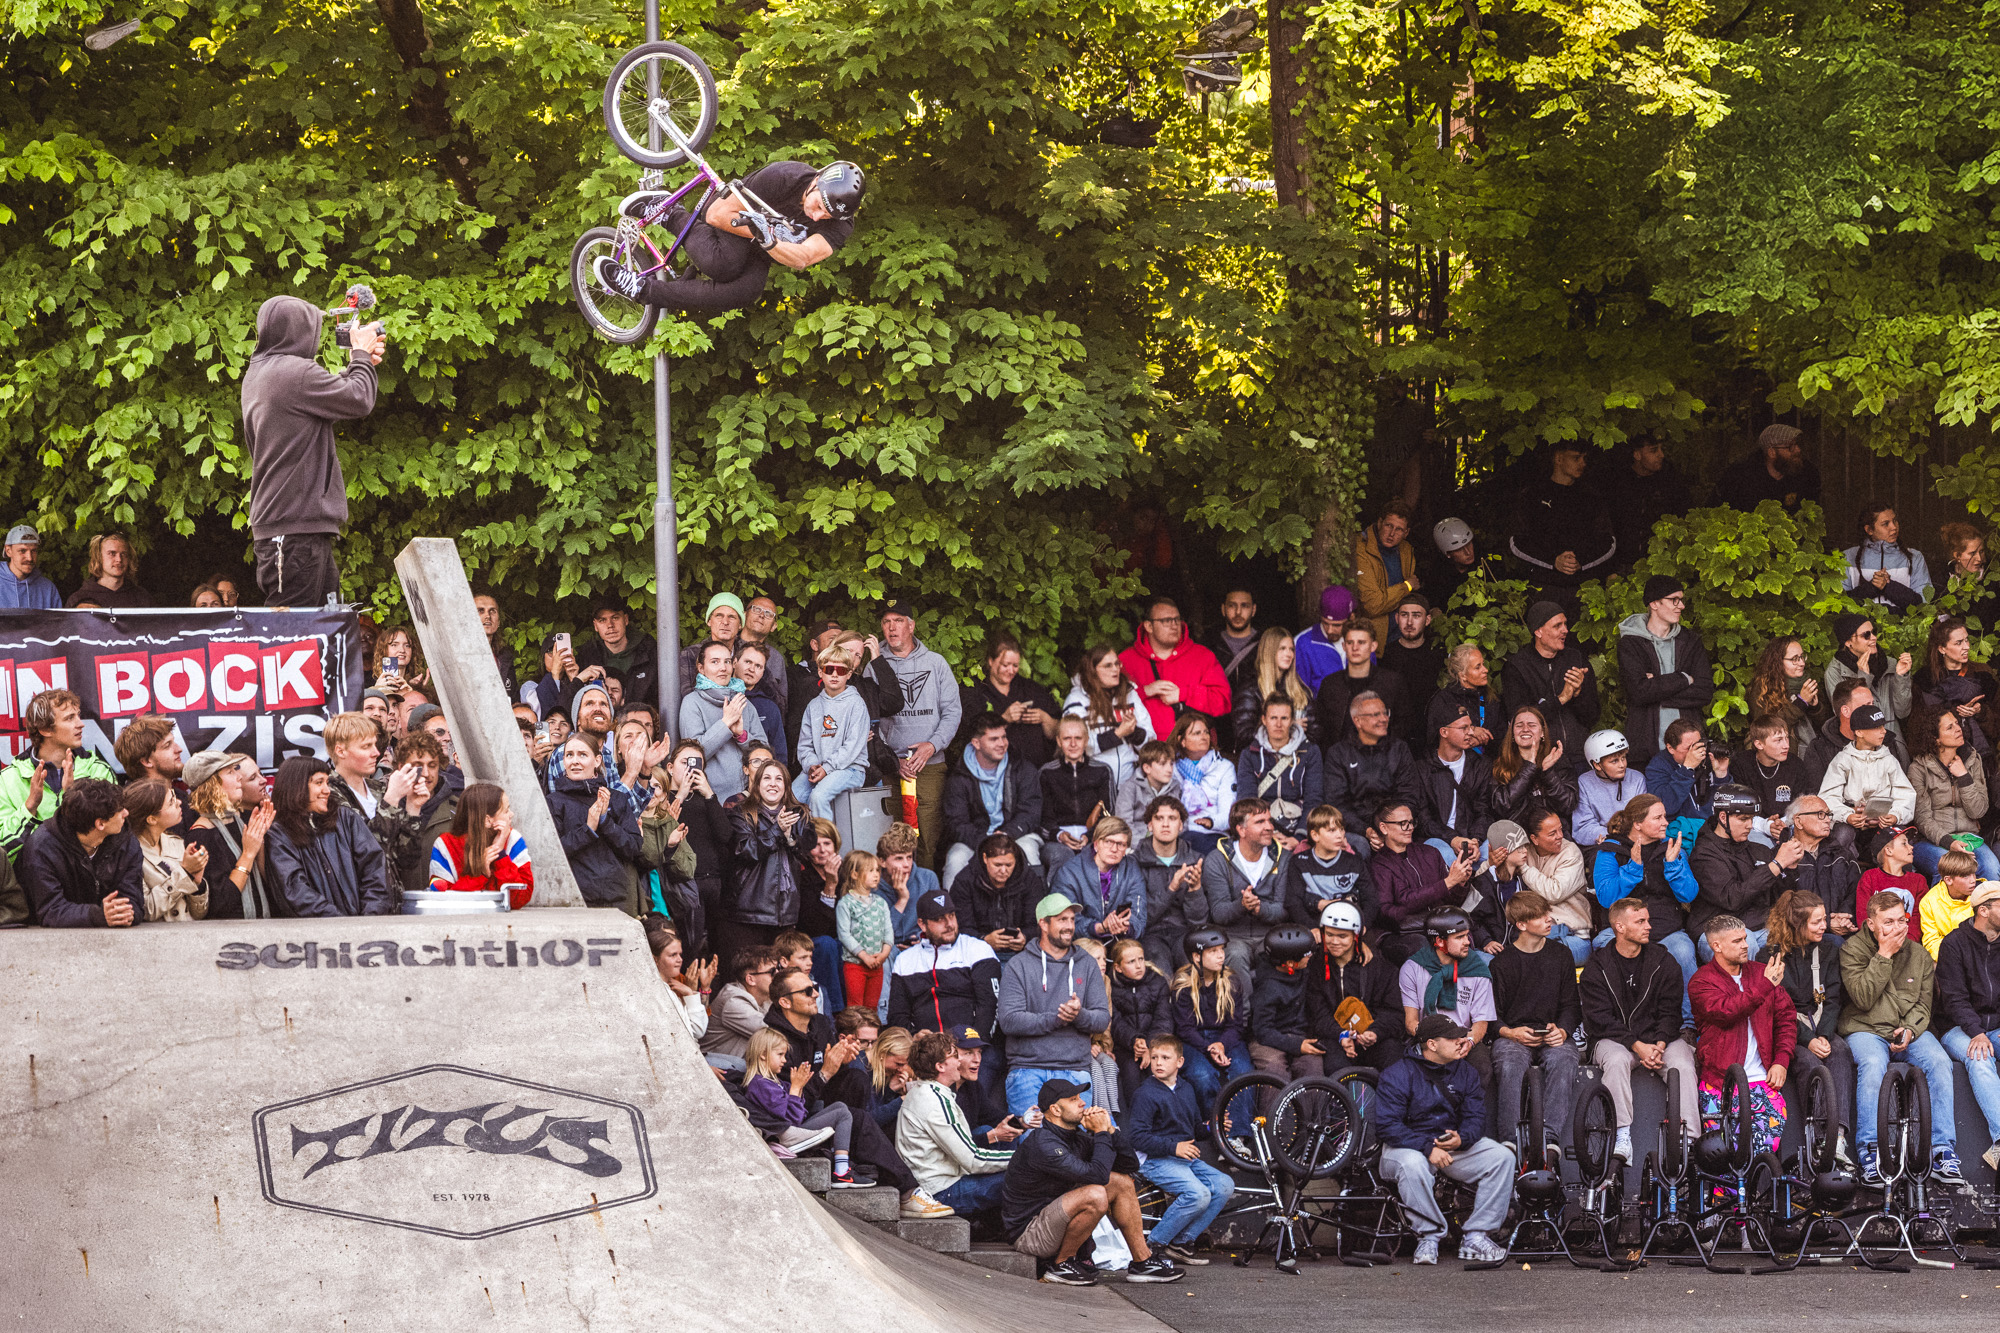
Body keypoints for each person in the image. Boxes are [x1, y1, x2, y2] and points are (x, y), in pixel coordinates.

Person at [242, 295, 383, 607]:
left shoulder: (264, 372)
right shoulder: (295, 372)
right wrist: (359, 355)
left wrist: (361, 363)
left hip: (292, 526)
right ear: (300, 330)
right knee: (290, 640)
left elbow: (330, 399)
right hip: (293, 529)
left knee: (320, 634)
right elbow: (359, 400)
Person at [597, 160, 866, 314]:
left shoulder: (842, 224)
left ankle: (642, 290)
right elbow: (716, 214)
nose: (818, 217)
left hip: (764, 246)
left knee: (745, 292)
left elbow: (804, 258)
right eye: (819, 206)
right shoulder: (783, 177)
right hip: (731, 215)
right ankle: (670, 213)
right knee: (722, 264)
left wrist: (768, 238)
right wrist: (757, 230)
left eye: (827, 217)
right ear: (816, 182)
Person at [999, 1079, 1183, 1285]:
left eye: (1080, 1098)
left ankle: (1142, 1261)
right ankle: (1062, 1265)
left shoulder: (1074, 1137)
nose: (1082, 1103)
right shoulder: (1044, 1144)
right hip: (1030, 1234)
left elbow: (1129, 1165)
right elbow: (1097, 1177)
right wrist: (1101, 1133)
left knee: (1121, 1182)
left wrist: (1110, 1132)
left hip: (1054, 1222)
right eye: (1073, 1099)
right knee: (1095, 1194)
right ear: (1055, 1110)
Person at [1841, 890, 1964, 1184]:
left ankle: (1941, 1149)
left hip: (1908, 1028)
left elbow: (1923, 1004)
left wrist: (1910, 1028)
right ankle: (1870, 1151)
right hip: (1866, 1027)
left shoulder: (1919, 954)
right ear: (1870, 923)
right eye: (1888, 922)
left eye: (1902, 920)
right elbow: (1862, 998)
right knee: (1872, 1065)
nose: (1897, 928)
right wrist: (1883, 955)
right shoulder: (1852, 950)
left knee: (1938, 1061)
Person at [1375, 1014, 1514, 1266]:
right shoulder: (1397, 1073)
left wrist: (1462, 1138)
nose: (1460, 1042)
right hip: (1405, 1147)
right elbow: (1387, 1126)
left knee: (1502, 1157)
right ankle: (1428, 1236)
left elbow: (1475, 1118)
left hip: (1449, 1146)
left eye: (1461, 1036)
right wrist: (1427, 1147)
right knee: (1412, 1164)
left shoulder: (1466, 1072)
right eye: (1452, 1039)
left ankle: (1476, 1235)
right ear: (1432, 1044)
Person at [1581, 897, 1699, 1162]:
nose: (1648, 926)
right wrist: (1636, 1045)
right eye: (1640, 921)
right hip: (1615, 1039)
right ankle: (1620, 1134)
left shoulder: (1663, 960)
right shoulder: (1596, 967)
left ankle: (1689, 1140)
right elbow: (1599, 1019)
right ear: (1619, 927)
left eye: (1648, 920)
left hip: (1659, 1040)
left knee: (1682, 1062)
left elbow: (1671, 1011)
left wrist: (1658, 1043)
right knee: (1617, 1060)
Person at [1759, 890, 1855, 1164]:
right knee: (1807, 1061)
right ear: (1796, 924)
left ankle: (1836, 1136)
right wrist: (1807, 1039)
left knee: (1839, 1051)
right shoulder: (1768, 955)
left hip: (1820, 1021)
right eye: (1816, 922)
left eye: (1824, 919)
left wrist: (1823, 1035)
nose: (1824, 926)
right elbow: (1773, 1007)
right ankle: (1818, 1135)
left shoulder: (1828, 950)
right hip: (1788, 1029)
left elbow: (1833, 996)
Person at [1689, 914, 1795, 1159]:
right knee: (1721, 1154)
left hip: (1762, 1081)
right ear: (1717, 946)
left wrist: (1781, 1060)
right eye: (1737, 941)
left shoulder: (1761, 973)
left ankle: (1752, 1194)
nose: (1746, 945)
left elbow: (1786, 1019)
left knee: (1765, 1147)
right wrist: (1766, 985)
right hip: (1719, 1083)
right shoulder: (1701, 981)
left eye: (1745, 938)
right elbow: (1727, 1011)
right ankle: (1728, 1196)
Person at [1128, 1033, 1237, 1265]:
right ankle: (1152, 1248)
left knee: (1225, 1185)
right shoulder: (1145, 1093)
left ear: (1179, 1062)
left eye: (1165, 1057)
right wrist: (1173, 1147)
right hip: (1154, 1160)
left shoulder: (1186, 1089)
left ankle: (1181, 1242)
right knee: (1197, 1194)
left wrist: (1213, 1127)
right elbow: (1136, 1137)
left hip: (1184, 1158)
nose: (1158, 1062)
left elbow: (1194, 1129)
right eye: (1155, 1057)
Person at [996, 895, 1110, 1116]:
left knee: (1075, 1145)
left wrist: (1079, 1015)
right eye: (1061, 920)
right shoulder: (1018, 965)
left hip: (1075, 1070)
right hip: (1028, 1070)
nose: (1069, 926)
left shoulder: (1086, 964)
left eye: (1071, 920)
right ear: (1043, 923)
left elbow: (1102, 1018)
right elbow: (1009, 1020)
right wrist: (1057, 1018)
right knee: (1032, 1141)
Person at [1490, 889, 1582, 1159]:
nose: (1548, 919)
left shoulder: (1561, 955)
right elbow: (1491, 1014)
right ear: (1521, 925)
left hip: (1552, 1032)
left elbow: (1571, 1005)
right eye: (1540, 916)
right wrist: (1510, 1032)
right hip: (1513, 1035)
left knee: (1564, 1057)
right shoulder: (1502, 963)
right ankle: (1508, 1142)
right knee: (1510, 1061)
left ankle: (1549, 1138)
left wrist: (1562, 1030)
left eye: (1547, 913)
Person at [874, 601, 962, 870]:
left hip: (930, 767)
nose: (892, 627)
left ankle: (923, 900)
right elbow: (869, 720)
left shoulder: (936, 663)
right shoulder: (874, 666)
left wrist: (932, 745)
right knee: (890, 839)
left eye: (898, 620)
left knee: (926, 840)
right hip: (891, 768)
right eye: (886, 622)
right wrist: (891, 758)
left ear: (911, 625)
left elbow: (952, 711)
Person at [1591, 794, 1699, 1011]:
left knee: (1684, 952)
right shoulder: (1611, 850)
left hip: (1667, 928)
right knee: (1604, 947)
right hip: (1621, 930)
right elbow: (1606, 897)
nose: (1665, 822)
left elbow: (1689, 895)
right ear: (1637, 824)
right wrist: (1633, 868)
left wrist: (1673, 866)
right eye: (1658, 818)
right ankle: (1620, 1021)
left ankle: (1688, 1024)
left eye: (1665, 817)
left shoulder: (1671, 849)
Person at [895, 1030, 1015, 1220]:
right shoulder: (934, 1102)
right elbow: (973, 1160)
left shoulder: (928, 1092)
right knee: (1023, 1177)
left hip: (939, 1182)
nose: (960, 1061)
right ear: (940, 1066)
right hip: (939, 1191)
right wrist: (1023, 1157)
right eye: (954, 1056)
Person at [263, 757, 396, 916]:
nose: (327, 790)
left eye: (327, 782)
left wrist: (367, 920)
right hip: (313, 937)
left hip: (363, 931)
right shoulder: (278, 834)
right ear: (296, 786)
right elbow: (295, 891)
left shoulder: (346, 819)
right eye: (319, 783)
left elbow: (375, 871)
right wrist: (339, 924)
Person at [0, 689, 117, 860]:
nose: (81, 723)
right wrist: (29, 808)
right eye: (70, 718)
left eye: (78, 715)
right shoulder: (7, 780)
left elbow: (116, 834)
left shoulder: (98, 771)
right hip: (33, 884)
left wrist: (73, 800)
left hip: (91, 881)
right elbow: (3, 852)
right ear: (45, 729)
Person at [718, 759, 811, 961]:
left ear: (786, 785)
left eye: (779, 779)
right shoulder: (741, 813)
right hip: (749, 912)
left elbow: (810, 857)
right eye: (767, 778)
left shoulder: (800, 814)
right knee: (753, 975)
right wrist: (778, 830)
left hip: (786, 914)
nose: (773, 783)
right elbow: (746, 851)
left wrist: (790, 838)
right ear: (757, 784)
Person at [1936, 883, 2000, 1172]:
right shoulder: (1954, 943)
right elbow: (1954, 999)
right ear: (1983, 910)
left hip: (1995, 1026)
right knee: (1980, 1057)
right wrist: (1976, 1031)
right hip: (1957, 1028)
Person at [939, 712, 1044, 888]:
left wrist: (1007, 834)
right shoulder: (959, 776)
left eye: (1003, 737)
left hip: (1016, 834)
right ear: (976, 743)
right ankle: (952, 914)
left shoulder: (1022, 768)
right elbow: (956, 822)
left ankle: (1038, 911)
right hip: (976, 838)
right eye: (994, 739)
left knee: (1029, 851)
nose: (1002, 744)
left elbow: (1031, 811)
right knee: (956, 859)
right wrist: (985, 842)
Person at [19, 778, 142, 928]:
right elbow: (50, 910)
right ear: (100, 824)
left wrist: (124, 913)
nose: (126, 813)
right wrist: (98, 915)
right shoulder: (42, 847)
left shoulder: (126, 841)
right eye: (120, 810)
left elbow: (133, 900)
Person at [1617, 576, 1714, 765]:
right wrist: (1683, 679)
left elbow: (1704, 691)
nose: (1681, 606)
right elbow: (1638, 693)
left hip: (1689, 747)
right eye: (1674, 600)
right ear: (1654, 603)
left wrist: (1656, 686)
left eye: (1681, 600)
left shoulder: (1690, 641)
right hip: (1646, 748)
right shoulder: (1630, 643)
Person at [1687, 785, 1790, 961]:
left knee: (1794, 936)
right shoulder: (1704, 853)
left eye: (1752, 819)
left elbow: (1778, 895)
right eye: (1743, 819)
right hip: (1715, 929)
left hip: (1758, 923)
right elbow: (1732, 898)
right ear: (1722, 817)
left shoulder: (1758, 849)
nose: (1750, 825)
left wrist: (1791, 869)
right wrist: (1775, 866)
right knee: (1744, 943)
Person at [549, 733, 649, 913]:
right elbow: (552, 852)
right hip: (574, 898)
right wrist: (587, 830)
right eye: (569, 755)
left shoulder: (616, 798)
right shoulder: (554, 801)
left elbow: (634, 847)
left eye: (582, 754)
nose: (575, 761)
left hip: (617, 897)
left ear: (597, 760)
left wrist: (605, 822)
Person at [1371, 799, 1476, 967]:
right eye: (1403, 824)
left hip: (1439, 928)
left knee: (1466, 944)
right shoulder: (1379, 864)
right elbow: (1387, 911)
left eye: (1412, 822)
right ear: (1384, 828)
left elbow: (1452, 902)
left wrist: (1461, 883)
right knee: (1424, 948)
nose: (1410, 828)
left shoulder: (1430, 853)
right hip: (1402, 934)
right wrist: (1447, 883)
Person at [1509, 442, 1617, 604]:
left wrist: (1581, 561)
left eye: (1584, 458)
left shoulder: (1590, 497)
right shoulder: (1533, 494)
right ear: (1558, 459)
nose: (1582, 463)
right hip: (1544, 586)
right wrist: (1553, 561)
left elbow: (1608, 541)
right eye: (1576, 458)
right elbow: (1517, 541)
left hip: (1585, 587)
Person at [887, 888, 1002, 1039]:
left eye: (952, 915)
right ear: (922, 924)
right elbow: (897, 1016)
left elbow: (989, 1007)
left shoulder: (978, 949)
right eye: (939, 919)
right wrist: (914, 1037)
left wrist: (972, 1046)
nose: (949, 924)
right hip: (926, 1051)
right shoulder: (905, 960)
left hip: (973, 1047)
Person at [1200, 799, 1291, 985]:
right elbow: (1218, 913)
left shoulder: (1283, 858)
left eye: (1269, 820)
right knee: (1235, 953)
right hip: (1232, 937)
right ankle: (1242, 1013)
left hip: (1270, 934)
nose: (1269, 827)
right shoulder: (1217, 860)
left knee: (1280, 952)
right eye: (1260, 822)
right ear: (1241, 830)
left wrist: (1259, 908)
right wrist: (1241, 905)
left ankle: (1270, 1012)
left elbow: (1284, 910)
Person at [1304, 901, 1403, 1073]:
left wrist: (1375, 1032)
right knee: (1336, 1067)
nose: (1334, 941)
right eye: (1329, 934)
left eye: (1342, 936)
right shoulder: (1315, 967)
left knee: (1394, 1057)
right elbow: (1317, 1015)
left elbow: (1394, 1014)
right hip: (1334, 1038)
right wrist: (1342, 1035)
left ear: (1356, 936)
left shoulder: (1381, 968)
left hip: (1373, 1038)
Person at [1397, 909, 1496, 1080]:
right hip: (1426, 1035)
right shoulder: (1413, 968)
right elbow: (1411, 1022)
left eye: (1467, 935)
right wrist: (1435, 1042)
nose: (1467, 942)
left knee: (1481, 1068)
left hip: (1464, 1035)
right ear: (1439, 941)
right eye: (1459, 937)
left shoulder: (1478, 970)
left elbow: (1481, 1022)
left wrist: (1469, 1041)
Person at [1501, 601, 1598, 768]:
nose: (1565, 630)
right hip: (1540, 759)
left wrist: (1578, 694)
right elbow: (1520, 719)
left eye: (1565, 624)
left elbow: (1593, 716)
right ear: (1538, 631)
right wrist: (1561, 699)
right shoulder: (1517, 667)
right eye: (1557, 626)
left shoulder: (1576, 659)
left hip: (1579, 755)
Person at [1907, 704, 1999, 880]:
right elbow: (1922, 817)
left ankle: (1985, 908)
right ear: (1936, 739)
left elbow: (1978, 811)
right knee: (1948, 867)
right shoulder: (1919, 768)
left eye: (1957, 723)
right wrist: (1949, 842)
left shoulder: (1973, 759)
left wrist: (1964, 776)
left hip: (1969, 837)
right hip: (1932, 841)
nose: (1959, 729)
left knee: (1991, 868)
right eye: (1950, 727)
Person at [1122, 596, 1231, 744]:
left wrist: (1184, 694)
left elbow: (1223, 702)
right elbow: (1107, 705)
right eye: (1166, 621)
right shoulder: (1127, 660)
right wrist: (1145, 691)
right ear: (1149, 626)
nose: (1174, 625)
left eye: (1177, 620)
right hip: (1145, 753)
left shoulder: (1202, 656)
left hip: (1193, 752)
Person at [181, 752, 274, 920]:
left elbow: (266, 883)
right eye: (230, 772)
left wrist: (259, 838)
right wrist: (248, 854)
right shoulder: (200, 835)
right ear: (213, 785)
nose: (239, 777)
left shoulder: (237, 821)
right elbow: (222, 902)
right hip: (231, 935)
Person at [679, 640, 768, 805]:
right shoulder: (692, 702)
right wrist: (725, 724)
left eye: (727, 661)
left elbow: (764, 753)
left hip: (748, 798)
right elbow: (692, 756)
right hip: (710, 799)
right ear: (701, 668)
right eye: (715, 662)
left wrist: (741, 736)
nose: (723, 667)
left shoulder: (743, 703)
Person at [1820, 704, 1916, 850]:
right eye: (1877, 728)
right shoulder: (1843, 760)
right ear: (1859, 732)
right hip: (1851, 824)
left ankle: (1892, 873)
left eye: (1883, 726)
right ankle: (1845, 870)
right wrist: (1848, 815)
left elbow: (1905, 795)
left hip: (1882, 824)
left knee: (1900, 840)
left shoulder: (1888, 759)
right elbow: (1827, 798)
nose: (1883, 732)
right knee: (1841, 836)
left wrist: (1894, 815)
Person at [962, 635, 1060, 771]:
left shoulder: (1031, 688)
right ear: (991, 661)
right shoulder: (976, 691)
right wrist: (1003, 719)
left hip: (1037, 773)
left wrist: (1045, 719)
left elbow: (1061, 730)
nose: (1011, 670)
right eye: (1005, 665)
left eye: (1015, 665)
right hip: (995, 774)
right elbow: (970, 735)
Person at [1063, 643, 1155, 786]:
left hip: (1129, 782)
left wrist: (1133, 732)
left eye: (1117, 664)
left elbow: (1150, 740)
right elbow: (1077, 746)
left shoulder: (1129, 694)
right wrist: (1118, 734)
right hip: (1091, 782)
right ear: (1092, 670)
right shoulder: (1076, 700)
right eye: (1108, 666)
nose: (1116, 669)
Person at [1235, 696, 1321, 848]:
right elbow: (1247, 800)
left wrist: (1299, 837)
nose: (1279, 724)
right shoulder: (1249, 754)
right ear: (1264, 719)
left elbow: (1313, 799)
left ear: (1292, 720)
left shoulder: (1310, 752)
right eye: (1273, 718)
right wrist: (1269, 833)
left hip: (1299, 826)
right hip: (1262, 828)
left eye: (1284, 718)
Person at [1309, 621, 1407, 751]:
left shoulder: (1392, 682)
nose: (1355, 648)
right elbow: (1322, 730)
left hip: (1381, 762)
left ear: (1373, 646)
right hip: (1339, 763)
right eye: (1350, 643)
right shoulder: (1330, 684)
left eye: (1361, 642)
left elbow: (1403, 727)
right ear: (1344, 646)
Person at [1415, 699, 1494, 859]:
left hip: (1473, 839)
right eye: (1463, 728)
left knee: (1500, 851)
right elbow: (1423, 818)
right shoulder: (1422, 768)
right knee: (1445, 856)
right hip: (1439, 839)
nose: (1471, 732)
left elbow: (1483, 810)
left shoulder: (1480, 765)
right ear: (1444, 732)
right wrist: (1453, 839)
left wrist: (1475, 840)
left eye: (1471, 726)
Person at [1049, 816, 1146, 943]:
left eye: (1121, 844)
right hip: (1082, 942)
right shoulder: (1069, 872)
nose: (1114, 849)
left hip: (1120, 940)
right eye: (1108, 842)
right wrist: (1100, 928)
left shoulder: (1131, 869)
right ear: (1096, 844)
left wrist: (1126, 927)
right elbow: (1063, 921)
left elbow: (1139, 916)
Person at [1915, 617, 1998, 765]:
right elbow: (1918, 724)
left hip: (1982, 755)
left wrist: (1981, 711)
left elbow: (1997, 715)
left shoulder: (1982, 674)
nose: (1966, 647)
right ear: (1942, 648)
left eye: (1966, 640)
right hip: (1940, 757)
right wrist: (1954, 713)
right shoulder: (1925, 679)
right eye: (1959, 643)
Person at [1824, 612, 1914, 748]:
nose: (1874, 638)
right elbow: (1847, 718)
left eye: (1874, 632)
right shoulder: (1834, 672)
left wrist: (1901, 677)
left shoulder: (1889, 664)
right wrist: (1863, 678)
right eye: (1866, 635)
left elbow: (1903, 712)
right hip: (1862, 749)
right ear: (1848, 642)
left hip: (1894, 744)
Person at [948, 833, 1044, 959]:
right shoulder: (965, 881)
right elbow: (959, 926)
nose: (1003, 871)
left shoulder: (1029, 880)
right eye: (997, 865)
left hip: (1021, 954)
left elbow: (1039, 923)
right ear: (985, 858)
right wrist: (984, 940)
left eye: (1009, 865)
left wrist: (1025, 937)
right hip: (974, 953)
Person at [1775, 796, 1862, 934]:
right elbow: (1781, 905)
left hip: (1842, 931)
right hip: (1797, 935)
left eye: (1828, 815)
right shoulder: (1779, 857)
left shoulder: (1842, 855)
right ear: (1799, 821)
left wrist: (1843, 918)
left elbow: (1855, 892)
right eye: (1820, 814)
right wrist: (1825, 924)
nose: (1828, 819)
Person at [122, 779, 207, 922]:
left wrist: (198, 883)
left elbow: (199, 914)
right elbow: (145, 911)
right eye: (171, 802)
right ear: (152, 819)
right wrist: (185, 873)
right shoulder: (130, 854)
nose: (179, 802)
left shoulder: (177, 843)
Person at [1039, 718, 1113, 875]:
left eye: (1078, 738)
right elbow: (1041, 818)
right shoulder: (1047, 773)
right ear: (1059, 741)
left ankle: (1095, 900)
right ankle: (1059, 899)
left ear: (1086, 740)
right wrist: (1059, 835)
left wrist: (1090, 836)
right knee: (1063, 856)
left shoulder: (1102, 771)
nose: (1073, 744)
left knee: (1093, 855)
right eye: (1067, 738)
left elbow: (1109, 813)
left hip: (1094, 837)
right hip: (1056, 841)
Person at [1283, 804, 1375, 928]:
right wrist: (1313, 929)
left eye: (1341, 829)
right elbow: (1293, 903)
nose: (1340, 835)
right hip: (1314, 926)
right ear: (1315, 835)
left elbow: (1372, 900)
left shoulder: (1354, 861)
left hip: (1349, 927)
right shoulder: (1299, 862)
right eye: (1332, 830)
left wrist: (1363, 925)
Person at [1520, 806, 1592, 963]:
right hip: (1538, 933)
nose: (1560, 836)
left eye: (1560, 830)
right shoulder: (1525, 850)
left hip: (1573, 937)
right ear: (1534, 839)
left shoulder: (1570, 852)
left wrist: (1523, 868)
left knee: (1535, 958)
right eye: (1552, 833)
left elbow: (1554, 892)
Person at [1802, 679, 1900, 794]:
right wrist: (1850, 811)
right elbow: (1817, 797)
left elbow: (1899, 792)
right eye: (1865, 706)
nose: (1872, 710)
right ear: (1845, 711)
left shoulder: (1885, 740)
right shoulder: (1819, 748)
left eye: (1872, 704)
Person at [1488, 705, 1577, 828]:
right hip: (1515, 836)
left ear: (1542, 732)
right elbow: (1501, 806)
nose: (1525, 729)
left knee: (1571, 849)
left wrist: (1548, 772)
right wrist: (1529, 767)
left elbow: (1568, 805)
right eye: (1519, 725)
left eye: (1532, 725)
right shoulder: (1500, 765)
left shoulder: (1558, 762)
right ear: (1512, 733)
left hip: (1552, 835)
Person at [1611, 435, 1695, 564]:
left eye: (1661, 449)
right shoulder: (1618, 484)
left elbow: (1686, 519)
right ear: (1637, 455)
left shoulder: (1671, 483)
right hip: (1623, 562)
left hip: (1661, 560)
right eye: (1653, 450)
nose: (1661, 455)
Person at [1107, 937, 1174, 1100]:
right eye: (1131, 962)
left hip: (1156, 1043)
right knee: (1130, 1073)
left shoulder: (1157, 982)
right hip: (1126, 1045)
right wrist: (1135, 1041)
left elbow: (1164, 1019)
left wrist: (1149, 1045)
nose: (1138, 966)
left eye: (1141, 959)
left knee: (1159, 1069)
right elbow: (1115, 1022)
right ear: (1118, 967)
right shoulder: (1111, 986)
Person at [1645, 718, 1725, 845]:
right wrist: (1687, 769)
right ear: (1670, 748)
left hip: (1714, 828)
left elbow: (1727, 803)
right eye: (1689, 748)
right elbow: (1666, 807)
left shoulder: (1708, 758)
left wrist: (1721, 776)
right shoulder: (1657, 767)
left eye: (1698, 745)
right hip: (1680, 833)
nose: (1696, 752)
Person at [1352, 503, 1422, 645]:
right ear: (1379, 523)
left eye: (1399, 529)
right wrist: (1407, 586)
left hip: (1401, 635)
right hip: (1374, 639)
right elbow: (1373, 605)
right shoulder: (1362, 549)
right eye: (1389, 526)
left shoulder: (1406, 550)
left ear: (1406, 533)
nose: (1392, 534)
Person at [1843, 502, 1931, 611]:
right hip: (1862, 627)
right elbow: (1840, 604)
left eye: (1895, 521)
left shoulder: (1915, 557)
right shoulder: (1847, 557)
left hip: (1906, 626)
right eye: (1886, 524)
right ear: (1869, 530)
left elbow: (1924, 603)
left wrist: (1889, 587)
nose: (1894, 527)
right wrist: (1871, 588)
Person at [701, 947, 781, 1067]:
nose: (778, 974)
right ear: (750, 979)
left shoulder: (765, 997)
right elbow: (774, 1033)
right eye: (772, 972)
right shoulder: (733, 1001)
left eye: (779, 969)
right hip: (715, 1071)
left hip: (735, 1068)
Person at [1383, 593, 1446, 744]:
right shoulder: (1387, 655)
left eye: (1416, 616)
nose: (1409, 622)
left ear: (1428, 620)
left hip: (1433, 735)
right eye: (1404, 615)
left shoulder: (1438, 653)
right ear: (1397, 618)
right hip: (1397, 737)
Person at [834, 851, 894, 1009]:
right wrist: (864, 956)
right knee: (856, 1006)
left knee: (872, 1007)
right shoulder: (846, 904)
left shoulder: (881, 903)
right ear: (855, 874)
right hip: (855, 965)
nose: (876, 875)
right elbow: (844, 934)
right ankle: (854, 1034)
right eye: (870, 870)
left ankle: (871, 1034)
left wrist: (884, 954)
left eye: (877, 870)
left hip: (877, 965)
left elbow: (888, 931)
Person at [1749, 636, 1828, 756]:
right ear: (1778, 661)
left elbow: (1826, 724)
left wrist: (1815, 707)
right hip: (1787, 755)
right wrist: (1800, 703)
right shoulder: (1763, 688)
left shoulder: (1807, 681)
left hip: (1815, 749)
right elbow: (1766, 729)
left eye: (1802, 657)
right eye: (1794, 659)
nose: (1801, 663)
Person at [1716, 423, 1821, 513]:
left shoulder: (1807, 474)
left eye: (1796, 444)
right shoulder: (1740, 478)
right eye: (1790, 447)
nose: (1797, 450)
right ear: (1771, 452)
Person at [1205, 588, 1264, 743]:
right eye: (1232, 606)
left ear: (1254, 610)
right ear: (1223, 609)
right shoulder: (1209, 645)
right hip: (1217, 734)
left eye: (1244, 606)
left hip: (1255, 734)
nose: (1238, 612)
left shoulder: (1265, 645)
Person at [1731, 717, 1809, 835]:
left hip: (1788, 825)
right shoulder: (1742, 764)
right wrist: (1766, 825)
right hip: (1752, 827)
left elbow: (1801, 805)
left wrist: (1781, 824)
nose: (1786, 745)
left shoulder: (1796, 765)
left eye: (1786, 738)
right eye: (1778, 740)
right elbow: (1737, 807)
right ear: (1759, 744)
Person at [1170, 714, 1235, 851]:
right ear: (1182, 741)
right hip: (1180, 833)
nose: (1204, 736)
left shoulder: (1224, 767)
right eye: (1196, 733)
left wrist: (1211, 822)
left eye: (1206, 732)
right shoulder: (1171, 768)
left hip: (1214, 833)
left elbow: (1228, 813)